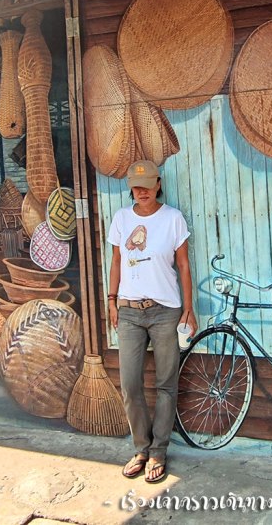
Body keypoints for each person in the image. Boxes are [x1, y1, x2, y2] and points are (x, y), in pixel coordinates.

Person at [107, 160, 195, 485]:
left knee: (166, 384)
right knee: (130, 384)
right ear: (130, 187)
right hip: (129, 312)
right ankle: (140, 448)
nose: (142, 191)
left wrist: (189, 309)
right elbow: (116, 261)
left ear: (158, 184)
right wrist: (111, 300)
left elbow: (183, 265)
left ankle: (158, 451)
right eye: (136, 186)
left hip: (165, 311)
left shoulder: (172, 219)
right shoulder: (121, 218)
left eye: (147, 185)